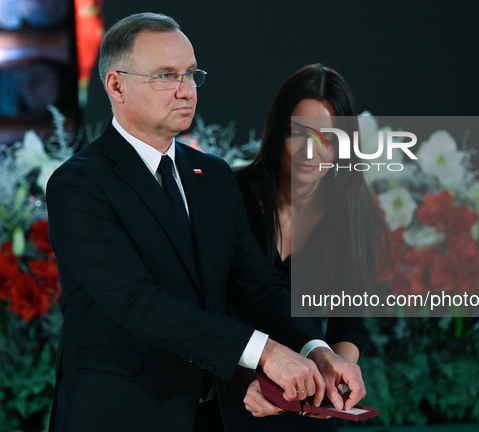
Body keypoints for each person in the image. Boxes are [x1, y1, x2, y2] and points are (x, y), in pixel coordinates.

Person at [45, 14, 365, 432]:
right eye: (166, 76)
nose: (186, 90)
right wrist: (266, 352)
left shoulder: (212, 176)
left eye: (191, 74)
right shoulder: (78, 184)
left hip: (214, 417)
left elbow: (256, 284)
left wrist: (318, 349)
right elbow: (141, 305)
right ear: (116, 86)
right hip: (119, 415)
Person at [217, 65, 389, 431]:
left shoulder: (354, 214)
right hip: (233, 387)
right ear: (278, 132)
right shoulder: (229, 195)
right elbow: (210, 307)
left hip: (306, 401)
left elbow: (348, 323)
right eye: (298, 133)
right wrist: (246, 378)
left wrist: (338, 376)